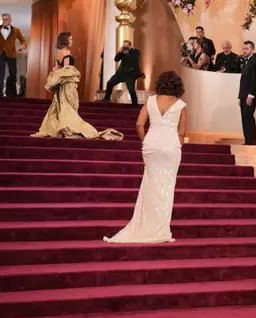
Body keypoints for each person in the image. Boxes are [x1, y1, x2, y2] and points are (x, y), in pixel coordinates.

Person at [104, 71, 187, 243]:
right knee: (166, 187)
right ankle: (161, 228)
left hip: (151, 144)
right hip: (171, 146)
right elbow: (182, 132)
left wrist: (145, 141)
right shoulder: (181, 105)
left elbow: (139, 124)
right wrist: (177, 145)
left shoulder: (150, 101)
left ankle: (145, 224)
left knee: (150, 184)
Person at [31, 32, 123, 140]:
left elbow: (56, 70)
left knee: (61, 107)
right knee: (69, 107)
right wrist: (75, 75)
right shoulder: (67, 53)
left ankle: (62, 127)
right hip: (68, 85)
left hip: (62, 85)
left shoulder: (59, 53)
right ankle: (68, 128)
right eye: (70, 39)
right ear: (65, 40)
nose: (72, 41)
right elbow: (66, 71)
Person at [0, 13, 27, 96]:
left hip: (12, 54)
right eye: (3, 19)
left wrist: (23, 46)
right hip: (0, 53)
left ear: (10, 20)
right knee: (0, 73)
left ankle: (11, 92)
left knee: (13, 73)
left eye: (6, 19)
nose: (4, 21)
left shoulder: (16, 30)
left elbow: (23, 40)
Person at [102, 40, 143, 106]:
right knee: (109, 83)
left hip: (130, 74)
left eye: (126, 46)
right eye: (124, 46)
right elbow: (116, 59)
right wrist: (119, 52)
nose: (125, 47)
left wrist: (128, 53)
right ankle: (107, 99)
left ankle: (134, 105)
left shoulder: (136, 51)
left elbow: (135, 60)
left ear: (130, 46)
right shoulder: (122, 52)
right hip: (120, 74)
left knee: (131, 90)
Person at [238, 41, 256, 146]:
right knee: (244, 116)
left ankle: (252, 139)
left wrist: (251, 95)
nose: (244, 51)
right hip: (244, 94)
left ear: (252, 49)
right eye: (243, 49)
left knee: (248, 116)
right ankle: (248, 139)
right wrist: (240, 97)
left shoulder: (254, 61)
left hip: (250, 95)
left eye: (246, 48)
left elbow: (253, 80)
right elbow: (242, 81)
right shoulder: (246, 61)